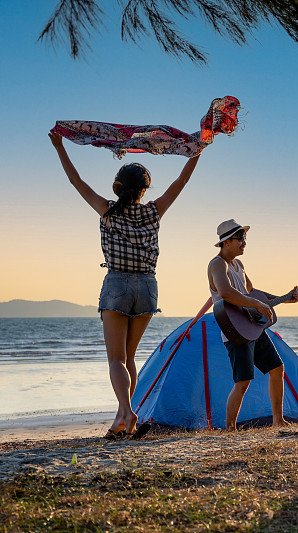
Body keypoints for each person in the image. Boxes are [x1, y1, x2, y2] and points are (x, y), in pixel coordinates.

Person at [49, 131, 201, 439]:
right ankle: (123, 417)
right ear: (144, 189)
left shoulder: (107, 211)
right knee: (129, 358)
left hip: (117, 284)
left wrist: (59, 147)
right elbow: (181, 183)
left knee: (116, 359)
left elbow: (76, 182)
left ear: (119, 186)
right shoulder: (153, 211)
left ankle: (127, 412)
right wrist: (197, 150)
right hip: (147, 286)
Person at [207, 220, 298, 430]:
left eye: (244, 238)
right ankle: (230, 429)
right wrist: (256, 304)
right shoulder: (217, 264)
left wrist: (286, 297)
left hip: (252, 326)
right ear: (226, 241)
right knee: (242, 383)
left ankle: (278, 421)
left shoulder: (239, 265)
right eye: (240, 238)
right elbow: (225, 292)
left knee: (277, 368)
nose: (244, 242)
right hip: (236, 331)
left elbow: (251, 292)